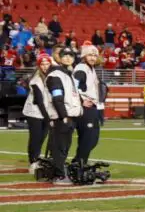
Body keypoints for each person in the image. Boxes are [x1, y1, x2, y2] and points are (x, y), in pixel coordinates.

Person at [47, 49, 83, 181]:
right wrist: (64, 116)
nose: (68, 58)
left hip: (70, 116)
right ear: (59, 58)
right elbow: (57, 98)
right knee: (59, 147)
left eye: (70, 56)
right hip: (62, 117)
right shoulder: (56, 75)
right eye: (64, 56)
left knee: (65, 146)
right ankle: (59, 174)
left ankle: (60, 171)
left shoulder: (69, 75)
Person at [22, 52, 54, 171]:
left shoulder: (51, 77)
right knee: (36, 137)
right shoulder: (36, 80)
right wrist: (48, 118)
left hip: (46, 112)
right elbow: (39, 101)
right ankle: (33, 161)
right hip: (34, 112)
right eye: (43, 64)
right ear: (39, 66)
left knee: (42, 137)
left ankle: (37, 157)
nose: (45, 66)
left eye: (47, 63)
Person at [71, 44, 103, 165]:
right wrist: (81, 100)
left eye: (95, 55)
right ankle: (80, 162)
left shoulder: (91, 68)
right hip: (85, 107)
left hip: (92, 106)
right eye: (90, 55)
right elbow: (73, 86)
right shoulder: (81, 68)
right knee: (88, 138)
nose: (93, 58)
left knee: (93, 138)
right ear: (84, 56)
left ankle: (79, 160)